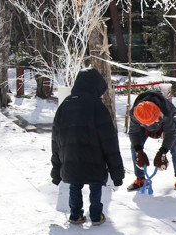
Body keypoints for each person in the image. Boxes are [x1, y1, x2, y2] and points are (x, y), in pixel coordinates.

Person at [51, 68, 125, 225]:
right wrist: (116, 172)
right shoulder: (97, 106)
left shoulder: (65, 105)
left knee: (75, 185)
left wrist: (56, 170)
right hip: (94, 158)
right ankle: (96, 215)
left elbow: (56, 139)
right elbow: (109, 141)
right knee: (95, 185)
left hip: (71, 157)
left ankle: (75, 214)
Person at [126, 89, 176, 194]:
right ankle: (140, 179)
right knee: (134, 148)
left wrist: (162, 152)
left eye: (159, 115)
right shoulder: (135, 114)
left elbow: (171, 134)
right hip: (144, 127)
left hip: (167, 126)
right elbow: (133, 133)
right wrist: (139, 151)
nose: (161, 117)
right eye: (158, 118)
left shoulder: (168, 112)